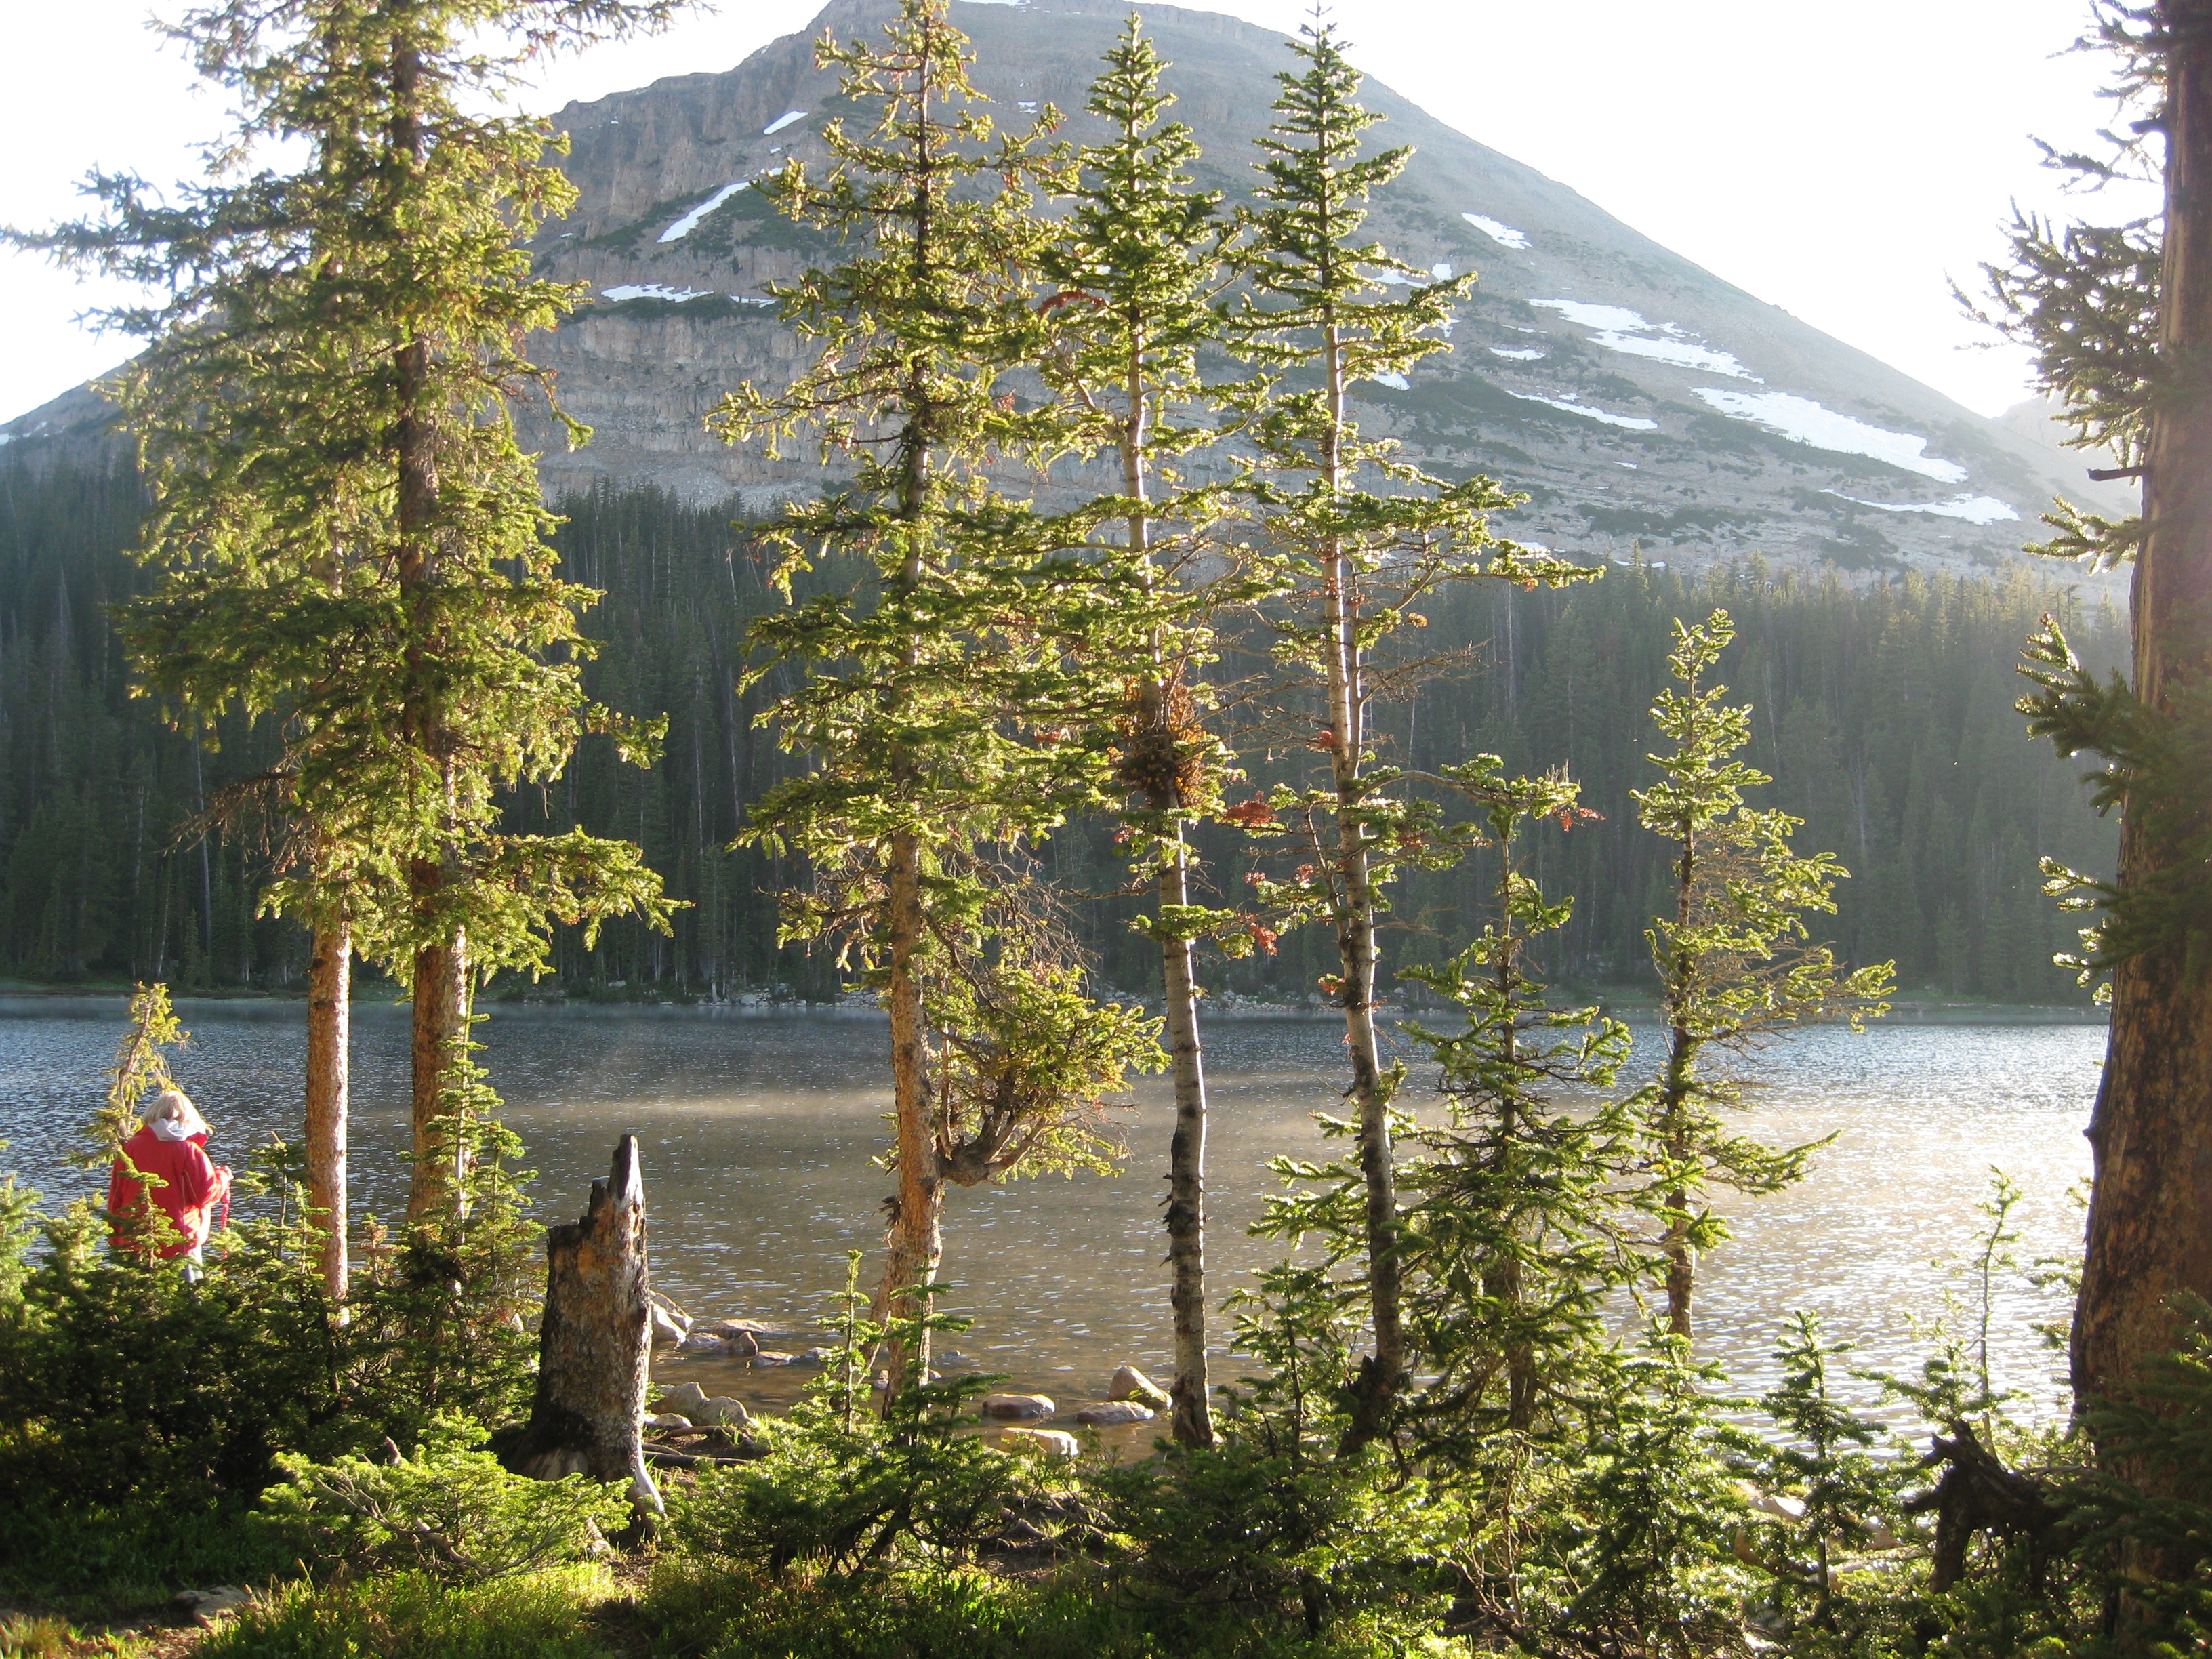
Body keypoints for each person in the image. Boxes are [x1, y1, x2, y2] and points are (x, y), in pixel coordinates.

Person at [107, 1088, 231, 1278]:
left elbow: (116, 1196)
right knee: (185, 1301)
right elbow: (205, 1196)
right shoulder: (190, 1150)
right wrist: (223, 1177)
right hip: (180, 1242)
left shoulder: (131, 1147)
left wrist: (116, 1237)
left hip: (135, 1238)